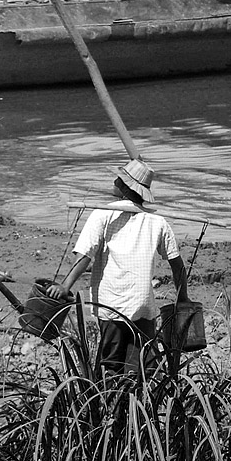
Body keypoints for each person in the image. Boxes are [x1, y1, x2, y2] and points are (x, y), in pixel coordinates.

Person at [46, 158, 190, 377]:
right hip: (143, 305)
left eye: (118, 179)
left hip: (113, 303)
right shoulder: (157, 222)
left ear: (124, 187)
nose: (114, 181)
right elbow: (177, 265)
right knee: (143, 366)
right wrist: (183, 298)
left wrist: (65, 286)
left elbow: (85, 255)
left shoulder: (102, 213)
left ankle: (113, 405)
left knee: (112, 365)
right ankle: (140, 406)